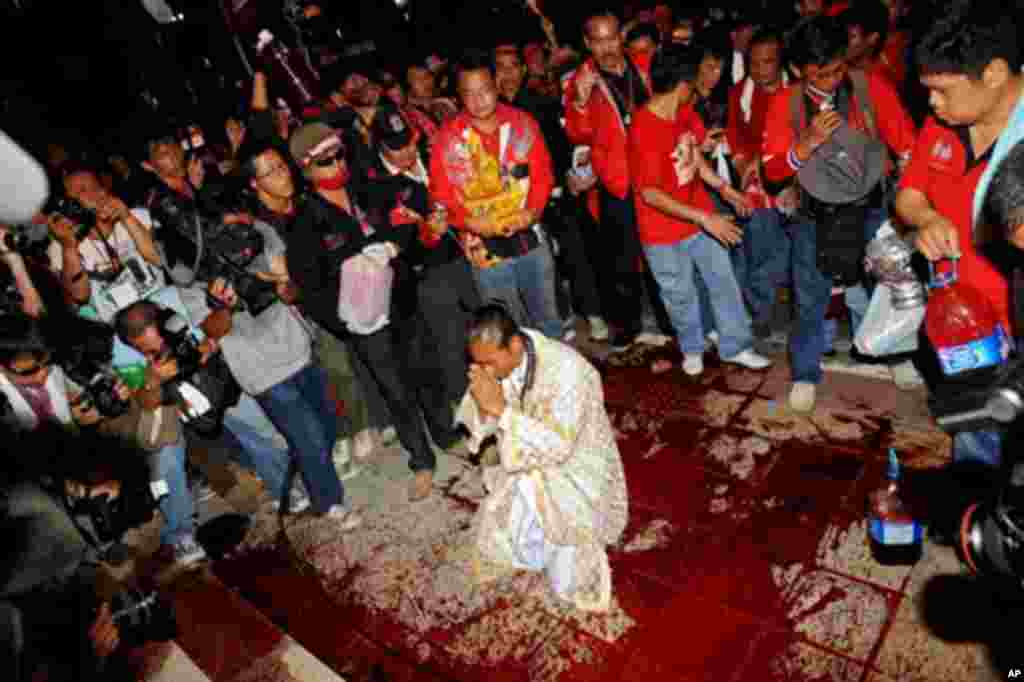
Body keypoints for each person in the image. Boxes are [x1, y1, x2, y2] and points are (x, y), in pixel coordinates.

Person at [895, 1, 1023, 470]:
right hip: (962, 324)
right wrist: (926, 218)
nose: (932, 103)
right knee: (974, 437)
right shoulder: (943, 125)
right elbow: (908, 195)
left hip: (1017, 328)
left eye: (943, 90)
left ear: (992, 73)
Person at [285, 122, 438, 503]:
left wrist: (393, 245)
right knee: (396, 391)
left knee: (425, 370)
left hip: (401, 299)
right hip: (363, 322)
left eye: (339, 155)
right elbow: (309, 288)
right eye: (325, 161)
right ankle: (421, 459)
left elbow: (414, 194)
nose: (336, 164)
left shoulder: (367, 189)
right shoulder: (304, 223)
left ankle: (449, 434)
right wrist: (347, 321)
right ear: (306, 169)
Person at [458, 304, 628, 612]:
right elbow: (480, 418)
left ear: (515, 345)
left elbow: (560, 448)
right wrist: (486, 405)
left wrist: (502, 411)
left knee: (566, 587)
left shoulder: (568, 370)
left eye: (490, 363)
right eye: (478, 364)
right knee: (519, 549)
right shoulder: (500, 362)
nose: (486, 371)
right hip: (530, 466)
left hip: (575, 474)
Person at [628, 43, 772, 376]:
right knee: (679, 294)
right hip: (662, 232)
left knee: (723, 280)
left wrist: (726, 190)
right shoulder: (643, 128)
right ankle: (692, 346)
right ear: (681, 84)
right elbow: (650, 193)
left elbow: (694, 157)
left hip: (700, 216)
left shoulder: (685, 113)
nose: (695, 89)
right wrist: (705, 218)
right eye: (692, 83)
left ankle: (735, 345)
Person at [430, 50, 562, 340]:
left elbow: (543, 175)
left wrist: (533, 211)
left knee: (548, 320)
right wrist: (468, 222)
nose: (479, 100)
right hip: (483, 248)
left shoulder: (522, 123)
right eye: (469, 93)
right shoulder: (447, 139)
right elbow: (442, 196)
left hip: (531, 235)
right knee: (507, 329)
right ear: (458, 97)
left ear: (497, 85)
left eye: (485, 90)